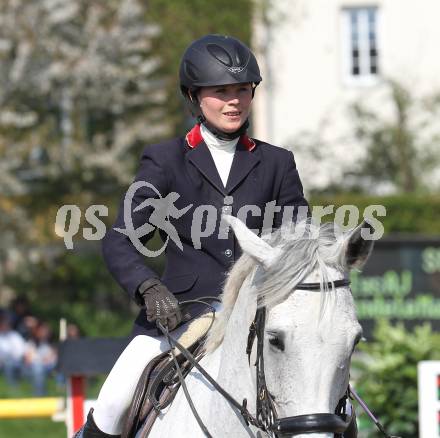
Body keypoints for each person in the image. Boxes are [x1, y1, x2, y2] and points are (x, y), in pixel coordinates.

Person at [74, 34, 308, 437]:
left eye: (242, 90)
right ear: (194, 96)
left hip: (257, 318)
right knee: (112, 402)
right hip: (180, 317)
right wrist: (147, 287)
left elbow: (299, 244)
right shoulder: (165, 160)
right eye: (221, 92)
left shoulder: (277, 163)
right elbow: (119, 238)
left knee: (323, 395)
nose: (234, 101)